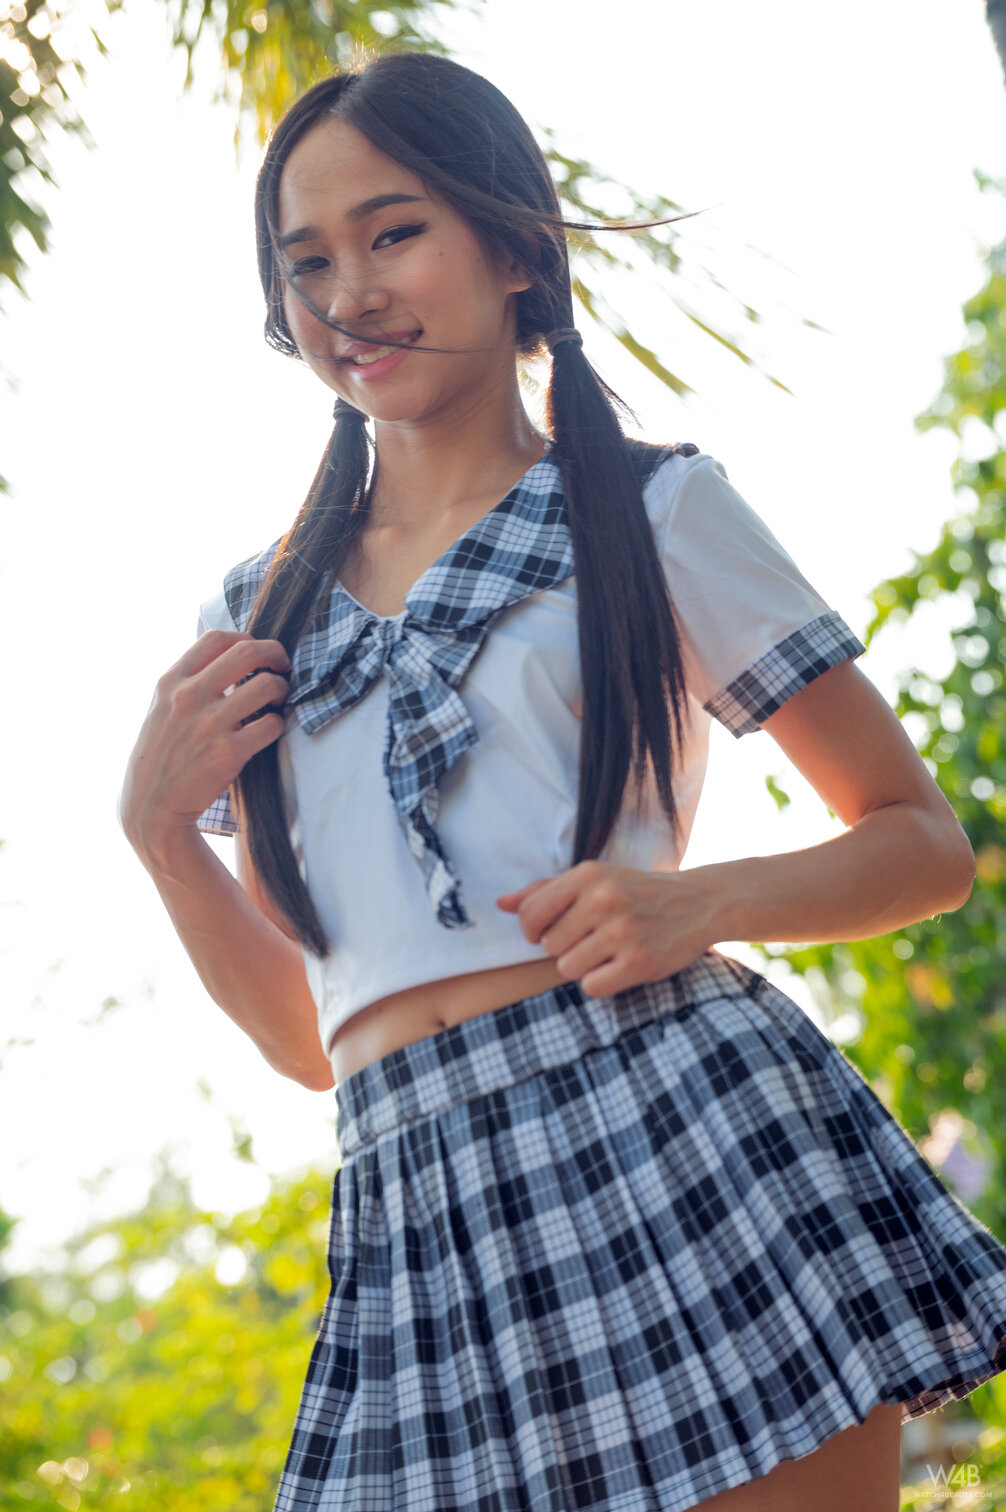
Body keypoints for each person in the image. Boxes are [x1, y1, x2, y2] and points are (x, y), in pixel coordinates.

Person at [119, 50, 1006, 1512]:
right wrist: (162, 839)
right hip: (417, 1202)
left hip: (679, 1128)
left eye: (394, 233)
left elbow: (922, 844)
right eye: (308, 260)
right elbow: (311, 1039)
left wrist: (697, 904)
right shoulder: (255, 616)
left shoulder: (652, 510)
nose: (350, 293)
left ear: (516, 250)